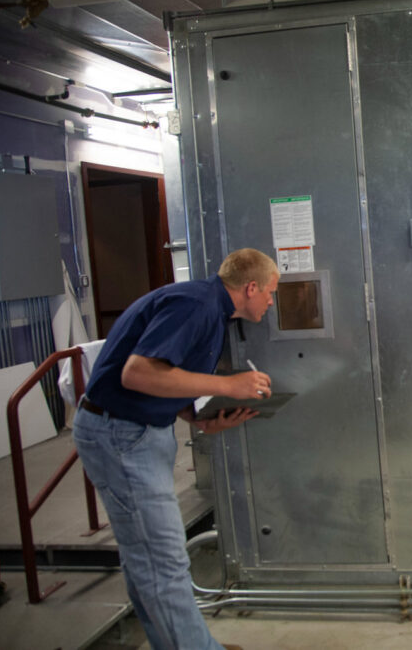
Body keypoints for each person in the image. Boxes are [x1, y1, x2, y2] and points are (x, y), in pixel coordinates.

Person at [72, 248, 280, 650]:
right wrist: (228, 386)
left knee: (146, 558)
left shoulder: (211, 311)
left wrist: (197, 418)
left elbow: (167, 376)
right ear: (250, 287)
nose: (271, 302)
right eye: (270, 293)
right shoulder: (196, 305)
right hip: (121, 435)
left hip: (136, 431)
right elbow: (138, 373)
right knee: (162, 562)